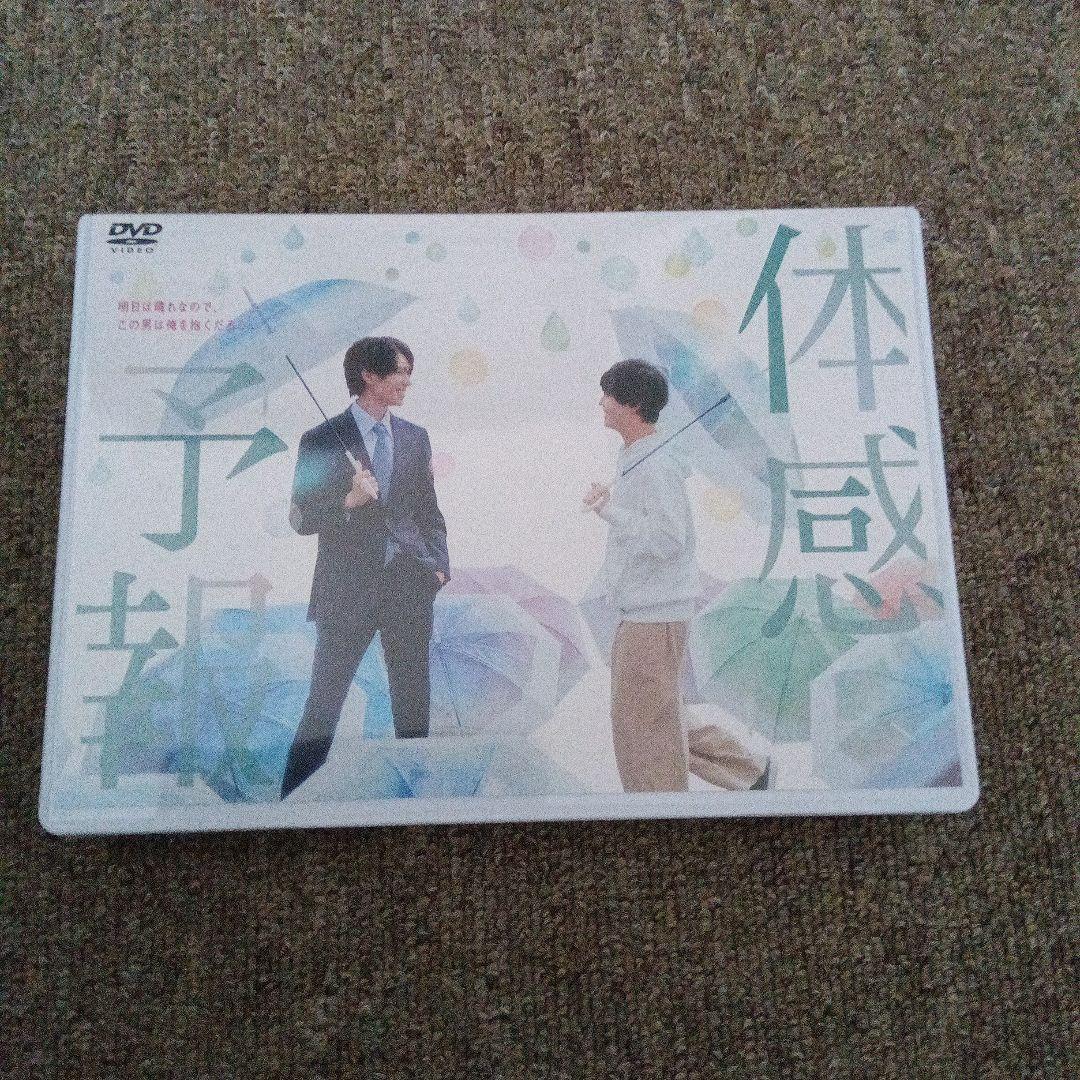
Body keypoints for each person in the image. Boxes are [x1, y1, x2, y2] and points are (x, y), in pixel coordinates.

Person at [584, 358, 768, 793]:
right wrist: (615, 503)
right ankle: (750, 771)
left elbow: (669, 539)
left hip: (654, 614)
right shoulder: (637, 456)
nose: (602, 402)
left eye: (609, 394)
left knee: (643, 725)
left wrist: (611, 512)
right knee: (655, 713)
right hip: (643, 612)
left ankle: (659, 808)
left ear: (631, 404)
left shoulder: (656, 463)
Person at [280, 336, 449, 799]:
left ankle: (418, 805)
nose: (407, 382)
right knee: (324, 704)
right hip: (346, 592)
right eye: (400, 372)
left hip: (409, 587)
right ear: (369, 376)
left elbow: (429, 512)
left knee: (413, 707)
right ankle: (289, 804)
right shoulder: (321, 439)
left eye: (409, 372)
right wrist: (348, 501)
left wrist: (438, 568)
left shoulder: (415, 437)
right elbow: (300, 517)